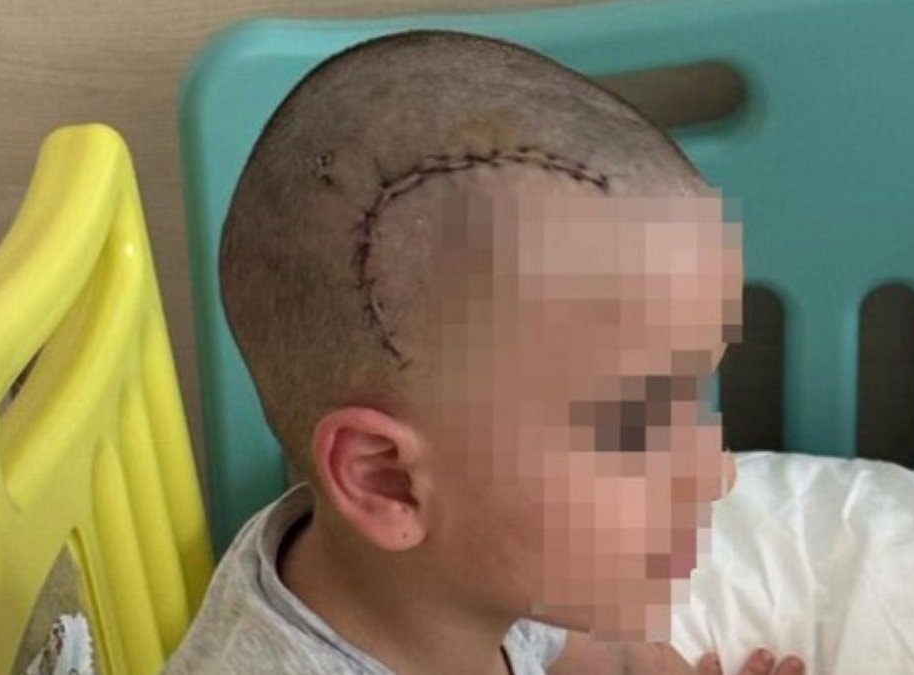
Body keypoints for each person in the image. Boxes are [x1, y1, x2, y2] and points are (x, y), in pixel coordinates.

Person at [165, 29, 804, 675]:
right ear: (387, 478)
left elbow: (615, 659)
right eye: (633, 428)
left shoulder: (471, 564)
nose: (716, 471)